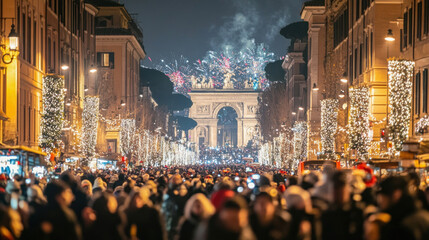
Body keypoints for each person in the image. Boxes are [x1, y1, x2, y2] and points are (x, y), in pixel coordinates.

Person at [369, 176, 429, 240]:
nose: (379, 200)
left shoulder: (405, 224)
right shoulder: (416, 213)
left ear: (396, 194)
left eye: (383, 195)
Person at [321, 170, 364, 240]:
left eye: (342, 187)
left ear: (347, 189)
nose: (339, 192)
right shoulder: (326, 213)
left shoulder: (357, 212)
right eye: (336, 188)